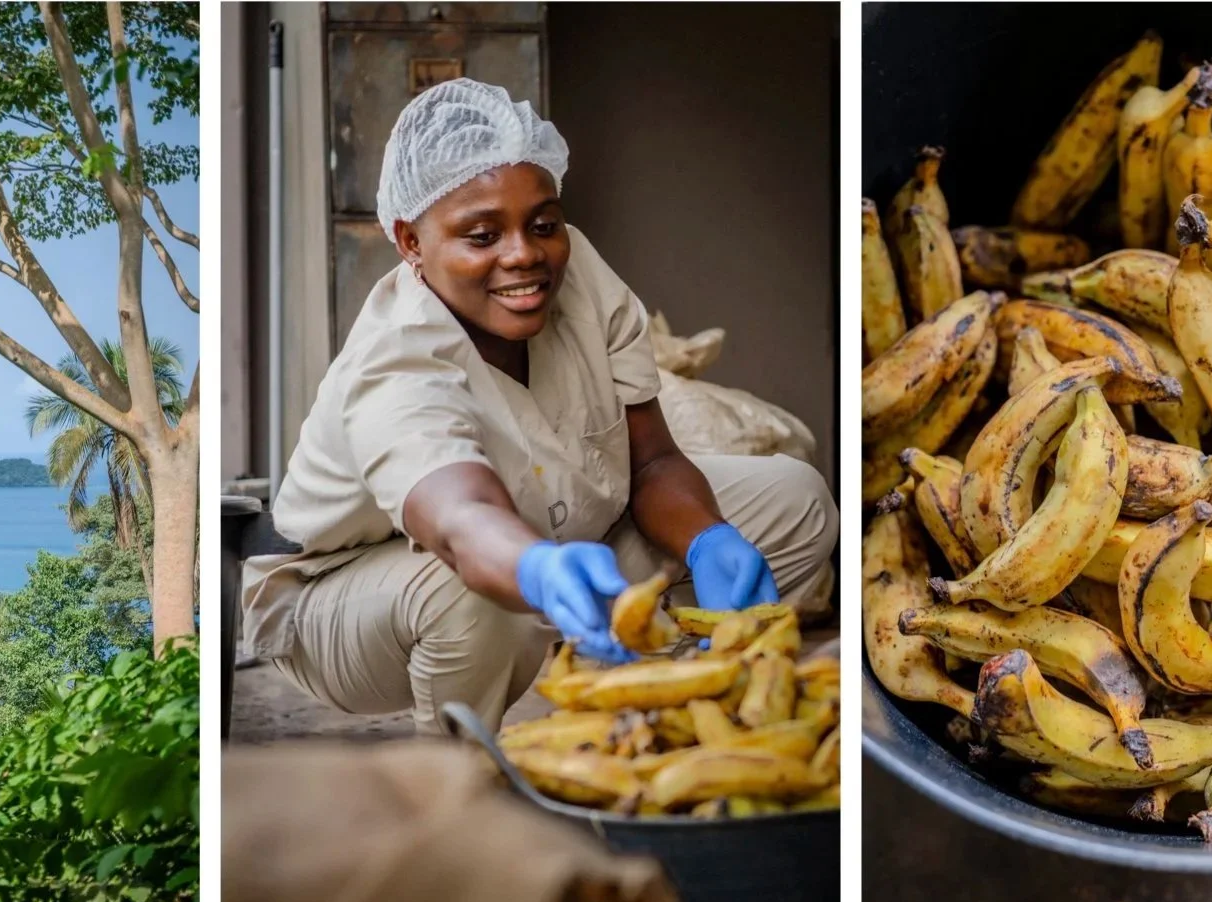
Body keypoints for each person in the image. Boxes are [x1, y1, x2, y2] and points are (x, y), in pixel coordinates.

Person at [241, 79, 839, 735]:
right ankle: (454, 788)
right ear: (411, 241)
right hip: (339, 599)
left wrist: (705, 538)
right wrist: (538, 568)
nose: (524, 253)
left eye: (542, 223)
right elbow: (461, 520)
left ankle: (669, 706)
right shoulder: (395, 359)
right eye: (481, 234)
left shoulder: (578, 274)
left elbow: (653, 462)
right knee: (472, 598)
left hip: (551, 524)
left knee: (794, 498)